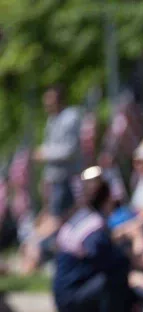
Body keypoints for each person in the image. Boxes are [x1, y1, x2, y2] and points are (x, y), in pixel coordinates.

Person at [51, 171, 132, 312]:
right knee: (115, 276)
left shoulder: (81, 219)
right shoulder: (95, 227)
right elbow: (104, 259)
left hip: (64, 296)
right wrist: (128, 256)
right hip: (72, 300)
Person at [36, 84, 81, 223]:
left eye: (49, 99)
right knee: (53, 217)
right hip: (54, 179)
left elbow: (70, 150)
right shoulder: (52, 120)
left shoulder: (71, 117)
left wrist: (44, 153)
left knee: (60, 219)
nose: (46, 104)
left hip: (67, 179)